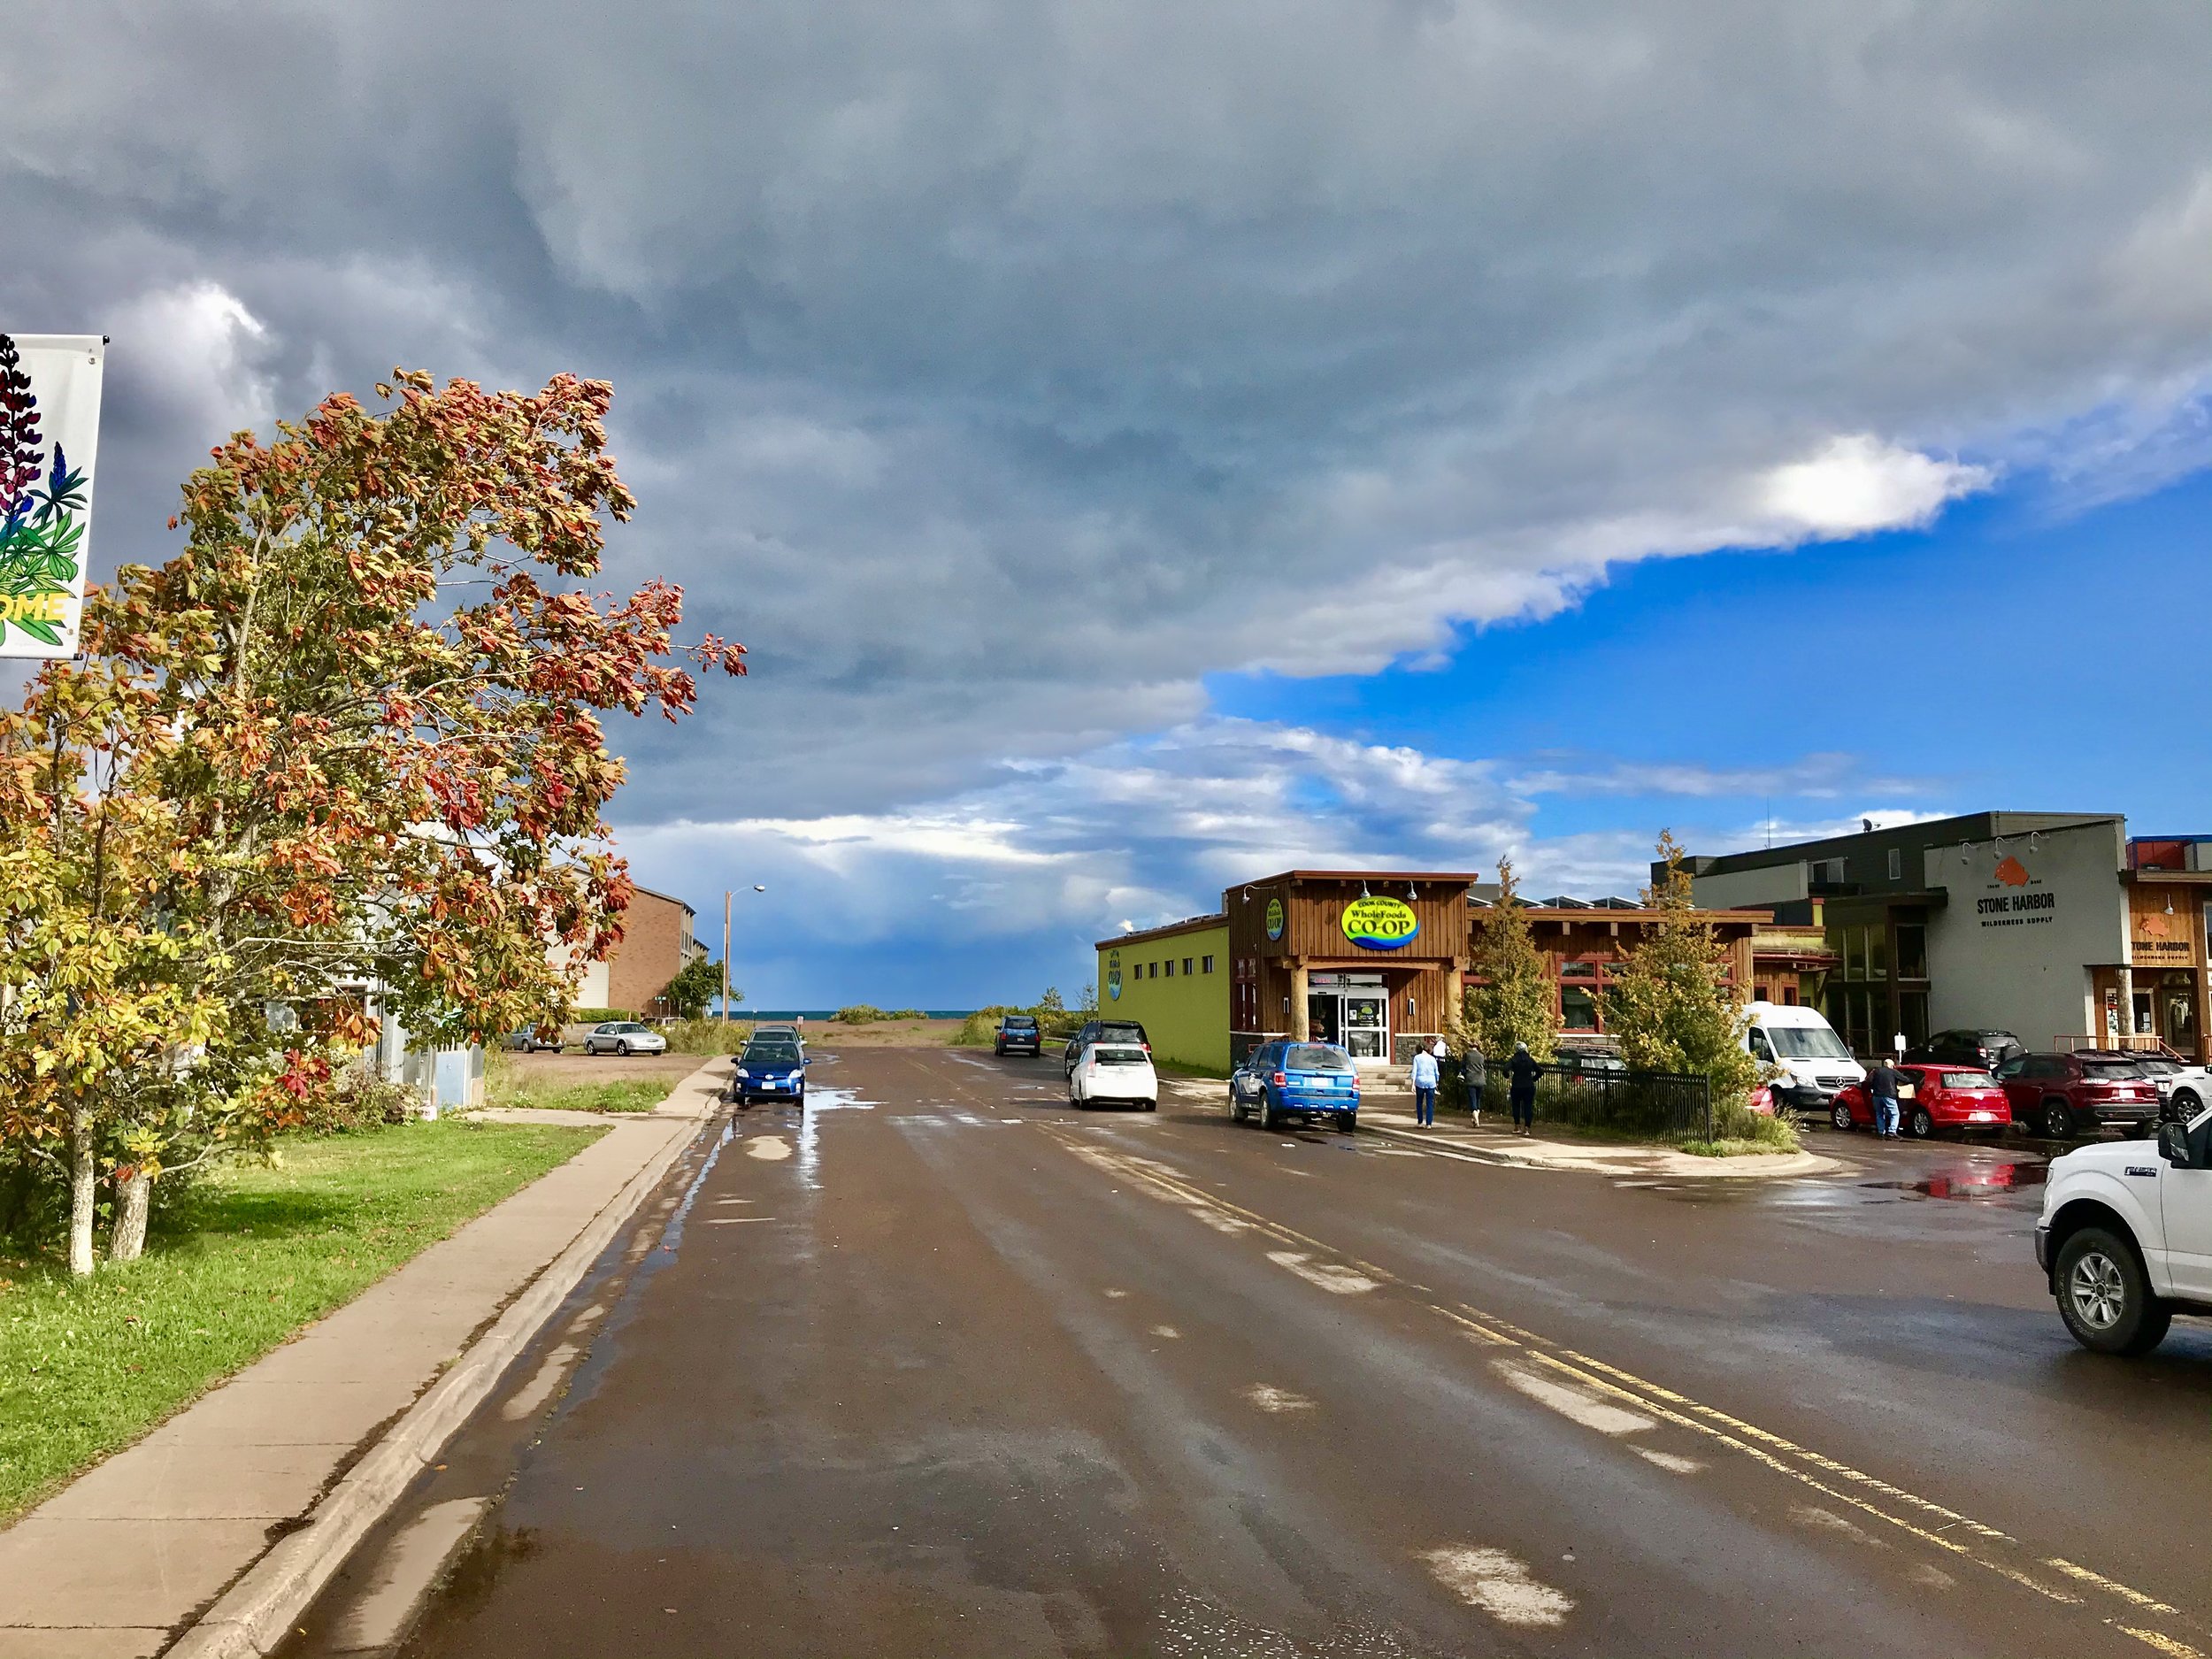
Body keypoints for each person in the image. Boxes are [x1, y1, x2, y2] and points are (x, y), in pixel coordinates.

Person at [1508, 1041, 1540, 1135]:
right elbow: (1540, 1071)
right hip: (1529, 1086)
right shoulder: (1530, 1060)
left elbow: (1505, 1069)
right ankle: (1527, 1128)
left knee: (1516, 1106)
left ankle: (1517, 1126)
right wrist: (1534, 1078)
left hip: (1517, 1086)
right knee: (1528, 1107)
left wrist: (1507, 1076)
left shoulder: (1513, 1060)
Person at [1866, 1056, 1902, 1139]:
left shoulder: (1876, 1071)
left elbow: (1868, 1081)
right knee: (1895, 1114)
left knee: (1879, 1114)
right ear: (1891, 1066)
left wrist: (1873, 1087)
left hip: (1876, 1096)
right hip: (1889, 1096)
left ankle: (1881, 1132)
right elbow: (1905, 1079)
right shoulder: (1893, 1072)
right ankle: (1892, 1131)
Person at [1410, 1042, 1440, 1126]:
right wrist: (1436, 1082)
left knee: (1419, 1102)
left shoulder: (1417, 1058)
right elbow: (1436, 1072)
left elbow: (1414, 1071)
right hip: (1431, 1082)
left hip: (1420, 1081)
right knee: (1430, 1103)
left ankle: (1420, 1122)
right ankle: (1429, 1123)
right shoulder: (1432, 1059)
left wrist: (1413, 1084)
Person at [1463, 1040, 1487, 1127]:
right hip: (1481, 1079)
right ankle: (1475, 1116)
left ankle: (1476, 1119)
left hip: (1471, 1079)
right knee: (1478, 1099)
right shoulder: (1481, 1056)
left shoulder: (1467, 1055)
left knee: (1472, 1099)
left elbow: (1463, 1066)